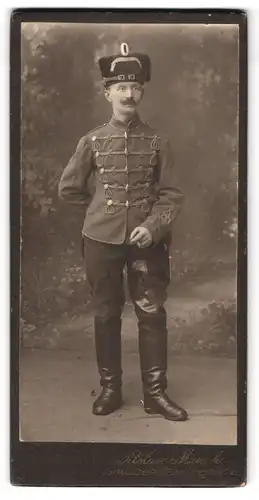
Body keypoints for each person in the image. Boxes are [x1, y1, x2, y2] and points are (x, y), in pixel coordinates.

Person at [58, 43, 188, 421]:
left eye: (135, 88)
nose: (129, 95)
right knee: (105, 314)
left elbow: (172, 194)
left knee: (152, 313)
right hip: (102, 241)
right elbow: (69, 189)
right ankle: (111, 390)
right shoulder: (93, 140)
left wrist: (152, 226)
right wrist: (102, 213)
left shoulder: (158, 141)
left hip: (147, 243)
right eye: (121, 88)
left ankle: (155, 394)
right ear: (108, 93)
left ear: (141, 93)